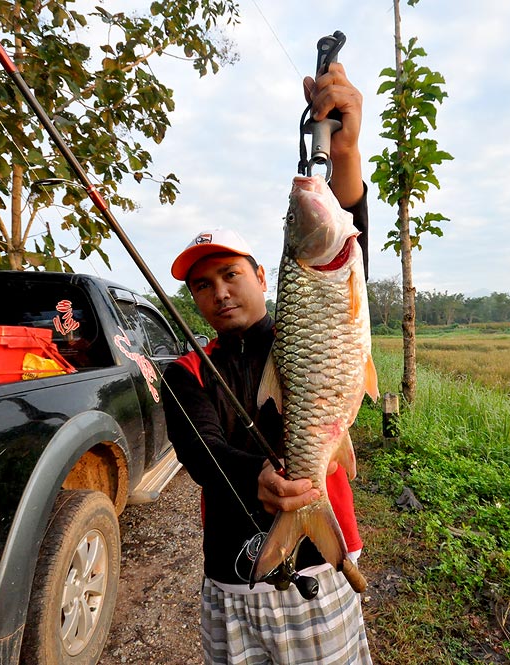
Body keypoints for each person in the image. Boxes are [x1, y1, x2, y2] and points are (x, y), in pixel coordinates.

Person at [161, 62, 372, 665]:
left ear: (261, 275)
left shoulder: (302, 328)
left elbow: (344, 247)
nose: (219, 292)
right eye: (202, 285)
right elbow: (199, 451)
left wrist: (346, 152)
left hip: (320, 576)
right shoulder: (188, 370)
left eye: (230, 274)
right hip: (231, 580)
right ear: (194, 300)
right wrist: (255, 475)